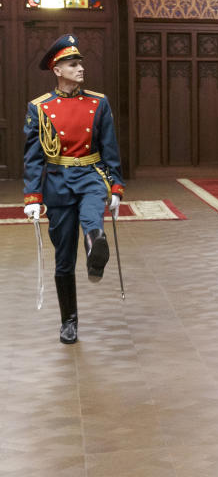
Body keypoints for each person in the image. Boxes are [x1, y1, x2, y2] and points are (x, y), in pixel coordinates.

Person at [23, 34, 125, 344]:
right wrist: (32, 197)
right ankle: (69, 320)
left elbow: (110, 149)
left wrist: (116, 188)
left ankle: (96, 248)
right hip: (57, 181)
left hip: (92, 176)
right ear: (57, 69)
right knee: (63, 258)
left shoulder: (99, 102)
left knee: (93, 217)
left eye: (80, 63)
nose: (81, 68)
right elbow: (32, 156)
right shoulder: (39, 108)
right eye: (73, 64)